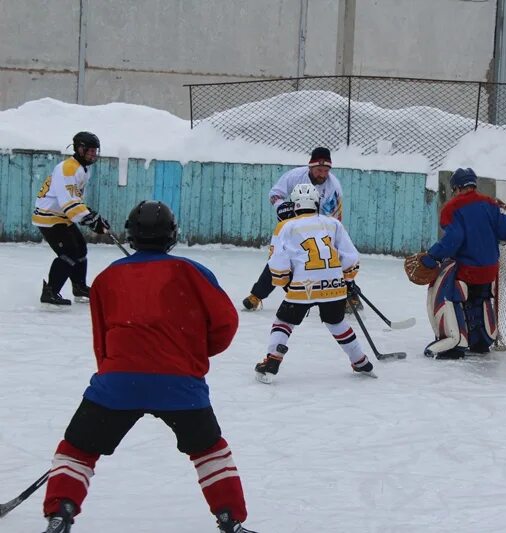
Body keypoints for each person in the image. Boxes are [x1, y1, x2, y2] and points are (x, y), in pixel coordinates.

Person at [40, 201, 257, 533]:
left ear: (132, 235)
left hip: (118, 381)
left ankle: (61, 512)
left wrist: (116, 371)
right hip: (180, 382)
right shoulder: (193, 271)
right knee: (209, 450)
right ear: (171, 235)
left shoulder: (107, 277)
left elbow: (102, 339)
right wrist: (192, 356)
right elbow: (226, 323)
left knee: (78, 449)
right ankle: (230, 518)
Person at [254, 183, 375, 383]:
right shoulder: (332, 223)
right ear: (317, 203)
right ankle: (361, 361)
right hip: (334, 286)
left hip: (304, 286)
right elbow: (350, 255)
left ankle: (272, 360)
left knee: (284, 322)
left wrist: (283, 281)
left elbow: (277, 260)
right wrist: (348, 278)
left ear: (294, 205)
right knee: (337, 323)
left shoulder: (286, 226)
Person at [242, 147, 363, 312]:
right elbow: (275, 194)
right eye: (319, 170)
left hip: (320, 228)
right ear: (310, 167)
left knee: (330, 259)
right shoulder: (294, 176)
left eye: (326, 170)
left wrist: (330, 240)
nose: (323, 174)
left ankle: (350, 295)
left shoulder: (333, 187)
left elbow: (335, 219)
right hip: (297, 227)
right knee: (282, 256)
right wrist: (281, 207)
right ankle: (257, 295)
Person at [419, 168, 506, 360]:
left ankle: (456, 340)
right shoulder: (490, 204)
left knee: (450, 291)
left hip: (468, 270)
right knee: (479, 296)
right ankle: (482, 339)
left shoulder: (452, 208)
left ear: (456, 188)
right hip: (490, 270)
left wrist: (432, 256)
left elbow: (453, 239)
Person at [32, 131, 110, 306]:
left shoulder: (81, 169)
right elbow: (68, 201)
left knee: (80, 248)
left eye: (95, 151)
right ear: (79, 149)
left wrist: (91, 215)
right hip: (49, 217)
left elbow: (74, 199)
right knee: (69, 252)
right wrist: (89, 219)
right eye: (89, 150)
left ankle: (79, 286)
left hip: (61, 215)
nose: (93, 154)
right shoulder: (68, 168)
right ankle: (50, 292)